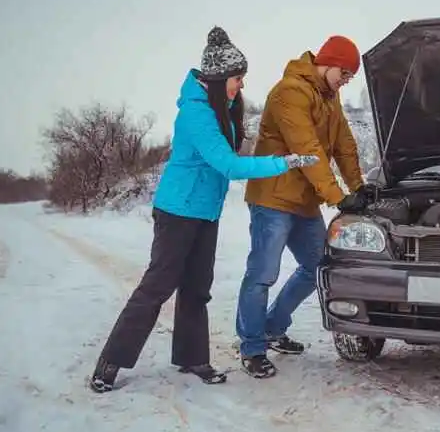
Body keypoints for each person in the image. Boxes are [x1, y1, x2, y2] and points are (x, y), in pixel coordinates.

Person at [88, 26, 319, 393]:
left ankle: (192, 358)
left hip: (205, 212)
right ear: (217, 78)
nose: (240, 85)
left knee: (197, 288)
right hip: (177, 212)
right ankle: (111, 361)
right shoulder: (196, 114)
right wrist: (283, 162)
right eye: (237, 78)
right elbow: (228, 165)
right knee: (157, 286)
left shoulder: (222, 108)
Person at [235, 35, 375, 378]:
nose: (346, 80)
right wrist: (337, 197)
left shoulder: (330, 96)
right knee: (262, 274)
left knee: (317, 267)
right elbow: (307, 149)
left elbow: (343, 144)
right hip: (272, 199)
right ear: (327, 62)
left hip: (304, 201)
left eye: (350, 76)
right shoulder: (289, 92)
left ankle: (273, 327)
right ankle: (252, 347)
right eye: (344, 72)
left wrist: (359, 187)